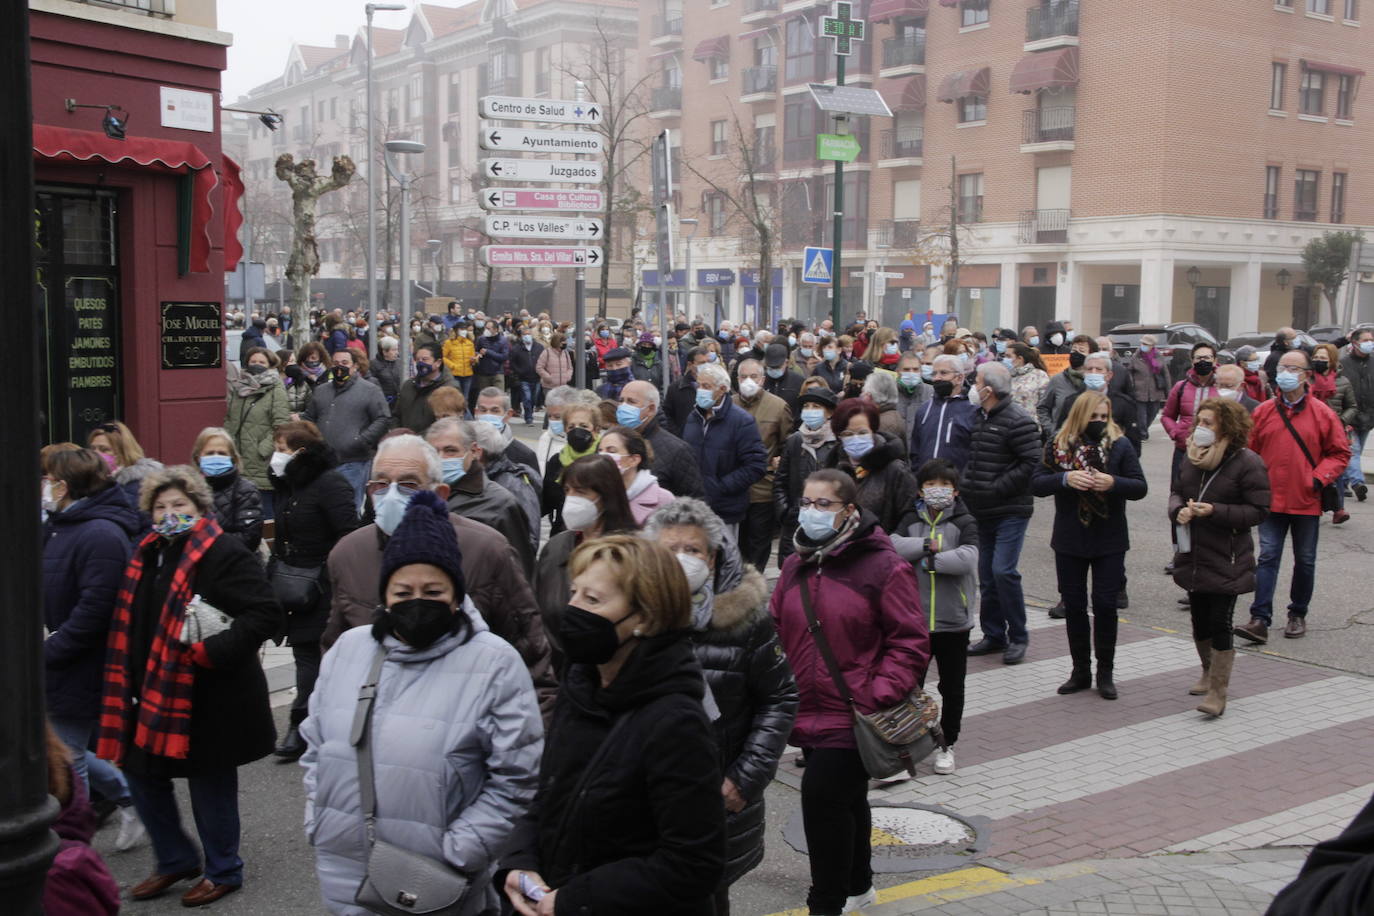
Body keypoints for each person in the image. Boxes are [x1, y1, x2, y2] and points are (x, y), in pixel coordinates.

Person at [302, 489, 543, 916]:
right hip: (342, 868)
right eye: (403, 590)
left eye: (433, 590)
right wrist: (316, 818)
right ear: (384, 595)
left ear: (456, 595)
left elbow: (516, 777)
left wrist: (459, 851)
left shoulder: (494, 662)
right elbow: (316, 745)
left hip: (436, 879)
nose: (417, 601)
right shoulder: (349, 650)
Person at [503, 535, 725, 916]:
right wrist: (518, 859)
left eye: (593, 600)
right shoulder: (581, 684)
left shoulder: (675, 722)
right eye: (574, 593)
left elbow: (693, 863)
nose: (571, 609)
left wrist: (577, 899)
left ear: (645, 617)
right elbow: (549, 792)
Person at [97, 466, 283, 906]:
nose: (168, 513)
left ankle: (224, 870)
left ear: (199, 507)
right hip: (155, 692)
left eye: (178, 505)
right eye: (160, 507)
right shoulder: (148, 551)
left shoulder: (224, 551)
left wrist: (212, 652)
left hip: (212, 693)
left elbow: (266, 613)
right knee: (140, 773)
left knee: (209, 785)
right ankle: (175, 858)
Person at [770, 470, 929, 916]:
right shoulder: (795, 563)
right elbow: (777, 626)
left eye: (824, 505)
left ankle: (825, 904)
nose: (812, 512)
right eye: (806, 502)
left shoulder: (883, 566)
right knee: (847, 800)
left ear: (850, 512)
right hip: (807, 708)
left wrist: (878, 692)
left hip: (856, 712)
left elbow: (910, 641)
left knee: (821, 801)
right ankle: (859, 886)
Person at [322, 435, 555, 713]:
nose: (392, 494)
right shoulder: (348, 553)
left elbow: (530, 656)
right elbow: (335, 654)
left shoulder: (486, 550)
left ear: (440, 494)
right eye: (381, 484)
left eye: (408, 484)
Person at [643, 499, 799, 915]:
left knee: (707, 899)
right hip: (644, 804)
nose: (681, 560)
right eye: (669, 549)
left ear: (712, 557)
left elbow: (780, 697)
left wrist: (745, 779)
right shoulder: (630, 616)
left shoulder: (745, 620)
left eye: (692, 550)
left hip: (716, 803)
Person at [42, 448, 146, 852]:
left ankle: (73, 844)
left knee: (68, 755)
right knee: (69, 747)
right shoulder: (61, 525)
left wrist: (52, 649)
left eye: (47, 478)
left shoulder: (99, 533)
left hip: (81, 660)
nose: (43, 487)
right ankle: (130, 798)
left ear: (63, 486)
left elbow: (97, 608)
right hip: (61, 655)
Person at [1031, 392, 1147, 700]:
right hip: (1070, 538)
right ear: (1079, 416)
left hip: (1109, 538)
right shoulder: (1057, 445)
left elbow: (1139, 486)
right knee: (1074, 606)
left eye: (1103, 417)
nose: (1098, 422)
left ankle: (1105, 672)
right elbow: (1036, 483)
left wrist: (1114, 483)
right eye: (1092, 417)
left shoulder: (1120, 445)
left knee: (1106, 605)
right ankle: (1080, 670)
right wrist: (1065, 479)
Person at [1235, 349, 1350, 645]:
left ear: (1307, 375)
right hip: (1271, 500)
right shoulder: (1263, 411)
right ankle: (1259, 618)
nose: (1285, 373)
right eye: (1282, 366)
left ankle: (1297, 613)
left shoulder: (1323, 413)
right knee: (1268, 556)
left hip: (1306, 499)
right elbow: (1250, 452)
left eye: (1293, 368)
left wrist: (1317, 478)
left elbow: (1340, 453)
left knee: (1306, 560)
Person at [1169, 398, 1270, 717]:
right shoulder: (1191, 457)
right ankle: (1207, 670)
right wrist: (1177, 511)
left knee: (1219, 620)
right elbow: (1175, 491)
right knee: (1199, 617)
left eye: (1209, 422)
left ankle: (1218, 690)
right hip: (1193, 554)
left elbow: (1258, 511)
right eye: (1200, 421)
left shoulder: (1247, 462)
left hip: (1227, 556)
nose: (1201, 428)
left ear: (1227, 427)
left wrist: (1215, 511)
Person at [267, 420, 359, 761]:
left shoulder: (329, 484)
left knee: (310, 654)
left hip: (322, 586)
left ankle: (300, 724)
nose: (276, 456)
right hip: (294, 584)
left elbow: (348, 533)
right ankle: (317, 722)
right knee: (307, 656)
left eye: (282, 450)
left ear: (301, 453)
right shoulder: (291, 485)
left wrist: (326, 573)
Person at [890, 458, 977, 776]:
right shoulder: (911, 518)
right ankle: (905, 749)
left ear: (954, 491)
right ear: (920, 489)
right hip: (914, 621)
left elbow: (966, 559)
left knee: (952, 688)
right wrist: (929, 544)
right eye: (930, 485)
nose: (937, 490)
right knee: (908, 687)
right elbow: (893, 545)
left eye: (944, 485)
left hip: (954, 621)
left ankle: (947, 744)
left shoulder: (964, 521)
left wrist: (928, 561)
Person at [961, 362, 1042, 665]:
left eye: (976, 380)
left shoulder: (1017, 420)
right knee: (987, 576)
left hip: (1010, 509)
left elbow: (1032, 462)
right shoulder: (980, 416)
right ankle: (994, 635)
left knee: (1003, 572)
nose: (972, 385)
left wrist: (996, 487)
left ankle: (1018, 636)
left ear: (988, 389)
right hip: (982, 510)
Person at [533, 455, 639, 662]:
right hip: (551, 668)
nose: (571, 498)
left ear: (606, 495)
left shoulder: (631, 553)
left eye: (580, 492)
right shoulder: (556, 547)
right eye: (567, 491)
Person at [427, 418, 537, 575]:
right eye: (434, 452)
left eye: (450, 450)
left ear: (474, 452)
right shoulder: (421, 497)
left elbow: (520, 570)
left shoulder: (500, 504)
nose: (441, 458)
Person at [682, 362, 769, 537]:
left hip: (724, 510)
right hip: (693, 507)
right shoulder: (694, 417)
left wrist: (721, 486)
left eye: (706, 386)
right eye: (698, 385)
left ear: (722, 389)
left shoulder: (741, 421)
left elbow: (756, 466)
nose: (700, 390)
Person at [302, 347, 391, 508]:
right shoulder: (321, 390)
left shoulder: (370, 390)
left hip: (353, 461)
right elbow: (309, 417)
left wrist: (361, 440)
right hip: (322, 462)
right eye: (335, 363)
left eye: (344, 363)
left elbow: (383, 418)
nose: (339, 367)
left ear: (355, 366)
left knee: (347, 506)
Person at [734, 358, 793, 571]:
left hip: (763, 487)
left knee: (759, 543)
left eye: (753, 376)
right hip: (734, 487)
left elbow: (788, 443)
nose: (748, 381)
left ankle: (755, 587)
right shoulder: (727, 405)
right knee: (737, 543)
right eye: (743, 376)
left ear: (762, 379)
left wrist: (780, 460)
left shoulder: (778, 406)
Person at [826, 397, 917, 534]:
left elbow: (910, 514)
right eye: (848, 434)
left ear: (873, 430)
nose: (856, 438)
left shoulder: (895, 470)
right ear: (839, 436)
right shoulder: (832, 467)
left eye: (862, 432)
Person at [775, 388, 839, 568]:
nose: (810, 410)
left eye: (816, 406)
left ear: (829, 412)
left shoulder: (837, 443)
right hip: (796, 520)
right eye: (806, 406)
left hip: (827, 520)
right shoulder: (795, 441)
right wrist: (785, 511)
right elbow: (781, 480)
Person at [617, 379, 706, 499]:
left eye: (631, 402)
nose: (623, 407)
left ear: (651, 409)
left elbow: (695, 501)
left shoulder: (677, 450)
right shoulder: (610, 442)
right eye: (621, 401)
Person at [190, 428, 263, 552]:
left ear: (233, 458)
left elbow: (249, 539)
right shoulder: (188, 489)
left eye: (222, 453)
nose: (215, 457)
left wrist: (204, 539)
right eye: (209, 453)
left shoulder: (246, 490)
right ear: (198, 458)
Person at [1309, 342, 1358, 523]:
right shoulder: (1306, 379)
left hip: (1333, 433)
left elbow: (1352, 407)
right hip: (1310, 432)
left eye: (1323, 358)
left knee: (1335, 471)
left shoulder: (1343, 382)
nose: (1318, 361)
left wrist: (1341, 421)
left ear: (1332, 361)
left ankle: (1339, 509)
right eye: (1316, 357)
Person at [541, 401, 603, 534]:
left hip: (595, 533)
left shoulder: (603, 461)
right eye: (571, 426)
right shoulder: (557, 461)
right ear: (565, 430)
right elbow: (546, 501)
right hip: (562, 534)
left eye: (584, 426)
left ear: (596, 430)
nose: (577, 430)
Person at [910, 355, 978, 473]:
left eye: (943, 373)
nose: (937, 378)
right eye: (934, 374)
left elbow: (977, 453)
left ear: (959, 378)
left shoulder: (974, 410)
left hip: (959, 485)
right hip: (926, 485)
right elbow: (915, 450)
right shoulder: (924, 410)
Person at [599, 425, 675, 525]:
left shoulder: (664, 499)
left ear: (634, 460)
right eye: (600, 451)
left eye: (612, 451)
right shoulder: (596, 494)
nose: (603, 456)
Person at [88, 420, 165, 514]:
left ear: (123, 452)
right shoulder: (96, 484)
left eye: (104, 450)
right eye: (93, 449)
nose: (95, 454)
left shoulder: (137, 486)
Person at [395, 342, 463, 435]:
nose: (420, 363)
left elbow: (447, 423)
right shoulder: (408, 385)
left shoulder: (449, 389)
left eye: (425, 359)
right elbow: (396, 415)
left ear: (438, 362)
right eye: (417, 360)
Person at [1340, 326, 1374, 504]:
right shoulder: (1344, 363)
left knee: (1355, 451)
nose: (1369, 344)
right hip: (1349, 415)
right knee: (1353, 451)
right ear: (1354, 343)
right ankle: (1358, 483)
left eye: (1371, 340)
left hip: (1368, 417)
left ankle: (1344, 481)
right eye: (1365, 340)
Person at [474, 386, 542, 474]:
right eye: (483, 410)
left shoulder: (524, 455)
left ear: (508, 414)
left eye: (495, 411)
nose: (488, 415)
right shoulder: (464, 448)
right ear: (476, 412)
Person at [1036, 334, 1094, 432]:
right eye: (1074, 350)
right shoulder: (1058, 380)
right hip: (1059, 437)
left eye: (1082, 350)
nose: (1076, 353)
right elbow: (1043, 408)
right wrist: (1051, 430)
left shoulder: (1095, 381)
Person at [1127, 334, 1172, 438]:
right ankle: (1142, 434)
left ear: (1152, 345)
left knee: (1153, 412)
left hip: (1155, 391)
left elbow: (1165, 374)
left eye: (1146, 344)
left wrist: (1169, 392)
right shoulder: (1136, 357)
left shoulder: (1158, 357)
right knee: (1141, 415)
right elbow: (1129, 371)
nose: (1143, 346)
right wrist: (1132, 384)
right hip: (1139, 390)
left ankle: (1143, 429)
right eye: (1142, 343)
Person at [1006, 343, 1051, 433]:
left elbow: (1046, 403)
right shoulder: (1006, 376)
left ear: (1020, 358)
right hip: (1008, 427)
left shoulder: (1039, 375)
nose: (1005, 359)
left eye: (1008, 356)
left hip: (1030, 427)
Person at [861, 370, 908, 456]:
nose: (861, 395)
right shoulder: (886, 416)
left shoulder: (884, 424)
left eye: (864, 392)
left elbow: (877, 455)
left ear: (870, 396)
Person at [665, 347, 710, 435]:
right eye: (702, 363)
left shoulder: (717, 386)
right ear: (690, 364)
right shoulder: (676, 388)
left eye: (709, 362)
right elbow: (667, 415)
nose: (707, 366)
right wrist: (677, 435)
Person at [509, 326, 545, 424]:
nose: (527, 336)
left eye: (529, 334)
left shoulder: (539, 347)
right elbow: (512, 363)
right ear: (521, 336)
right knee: (527, 398)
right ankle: (528, 417)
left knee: (534, 398)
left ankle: (530, 411)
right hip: (523, 378)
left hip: (536, 377)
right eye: (525, 334)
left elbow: (543, 360)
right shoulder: (516, 348)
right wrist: (519, 371)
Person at [284, 342, 328, 416]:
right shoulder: (295, 375)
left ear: (321, 358)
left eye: (313, 358)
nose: (310, 360)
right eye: (306, 358)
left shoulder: (328, 373)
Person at [895, 351, 931, 434]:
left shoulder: (931, 393)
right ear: (898, 371)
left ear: (920, 371)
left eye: (915, 369)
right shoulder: (889, 392)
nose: (911, 373)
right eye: (906, 369)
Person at [536, 332, 575, 409]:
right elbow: (539, 367)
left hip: (562, 387)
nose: (565, 343)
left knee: (562, 409)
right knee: (552, 409)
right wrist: (548, 377)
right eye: (562, 341)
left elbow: (570, 367)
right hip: (549, 387)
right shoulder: (546, 352)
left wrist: (567, 376)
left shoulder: (566, 353)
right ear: (557, 342)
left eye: (565, 341)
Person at [442, 317, 476, 402]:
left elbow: (473, 357)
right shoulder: (449, 343)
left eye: (465, 329)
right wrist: (452, 365)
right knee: (455, 397)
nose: (464, 331)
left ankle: (464, 415)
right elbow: (443, 356)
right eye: (461, 329)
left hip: (468, 374)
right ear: (456, 330)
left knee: (465, 398)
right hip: (455, 374)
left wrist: (474, 360)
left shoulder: (469, 343)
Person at [371, 336, 402, 407]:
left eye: (397, 349)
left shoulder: (399, 362)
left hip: (398, 403)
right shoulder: (373, 365)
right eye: (394, 350)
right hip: (382, 403)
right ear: (384, 352)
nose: (397, 353)